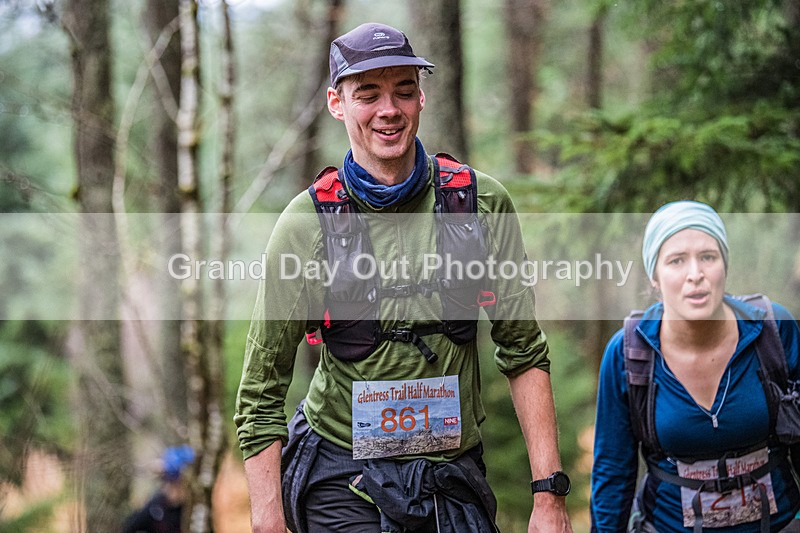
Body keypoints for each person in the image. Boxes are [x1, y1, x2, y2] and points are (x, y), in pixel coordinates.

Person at [234, 21, 572, 533]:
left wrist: (549, 497)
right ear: (336, 103)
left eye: (404, 91)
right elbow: (261, 390)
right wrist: (268, 521)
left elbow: (523, 350)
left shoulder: (480, 205)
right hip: (342, 474)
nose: (388, 110)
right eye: (368, 95)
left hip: (450, 476)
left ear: (421, 99)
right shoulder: (307, 224)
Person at [591, 200, 800, 532]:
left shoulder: (774, 330)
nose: (696, 274)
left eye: (708, 257)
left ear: (724, 264)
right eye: (676, 260)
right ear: (655, 276)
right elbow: (613, 473)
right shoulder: (628, 351)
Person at [122, 445, 194, 533]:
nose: (169, 487)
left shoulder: (195, 510)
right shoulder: (156, 507)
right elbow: (130, 527)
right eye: (167, 480)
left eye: (175, 482)